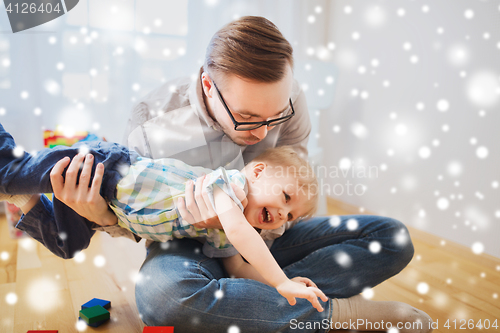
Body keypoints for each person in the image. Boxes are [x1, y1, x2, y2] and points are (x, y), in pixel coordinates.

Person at [4, 16, 433, 332]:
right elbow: (138, 216)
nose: (265, 132)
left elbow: (293, 182)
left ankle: (256, 302)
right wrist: (99, 214)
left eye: (275, 115)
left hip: (257, 243)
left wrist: (275, 230)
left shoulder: (289, 97)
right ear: (209, 86)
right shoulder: (151, 119)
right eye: (247, 117)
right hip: (183, 245)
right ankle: (334, 313)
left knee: (392, 237)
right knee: (163, 298)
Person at [0, 123, 329, 311]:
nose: (282, 215)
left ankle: (20, 199)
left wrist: (285, 282)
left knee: (67, 245)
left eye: (290, 216)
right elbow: (244, 234)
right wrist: (280, 280)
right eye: (286, 198)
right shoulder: (231, 186)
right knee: (12, 172)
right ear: (256, 171)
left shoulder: (223, 233)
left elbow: (239, 266)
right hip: (107, 167)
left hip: (103, 210)